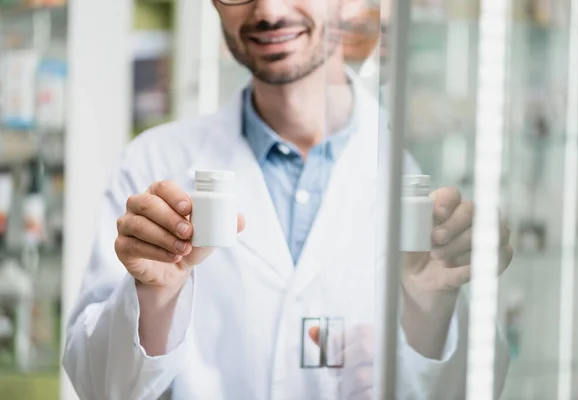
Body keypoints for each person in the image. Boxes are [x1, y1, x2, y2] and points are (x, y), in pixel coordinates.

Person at [62, 0, 513, 398]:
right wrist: (154, 299)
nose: (269, 11)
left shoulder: (418, 171)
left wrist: (430, 307)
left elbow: (470, 387)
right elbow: (98, 386)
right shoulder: (152, 163)